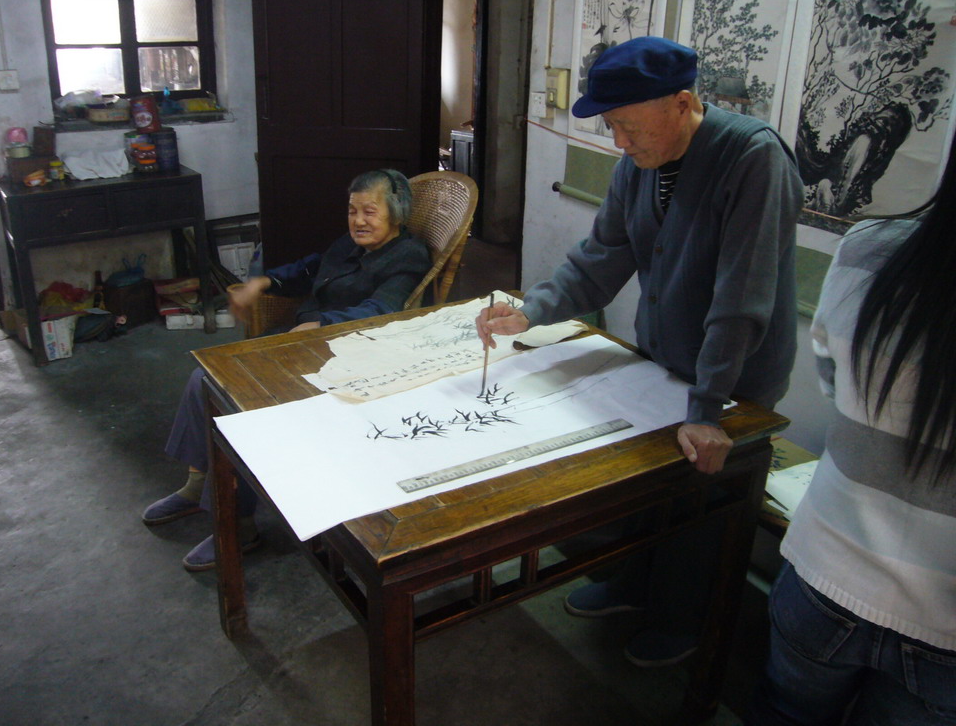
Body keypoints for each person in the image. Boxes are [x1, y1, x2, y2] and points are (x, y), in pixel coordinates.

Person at [475, 36, 802, 666]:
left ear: (681, 104)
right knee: (654, 488)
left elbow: (742, 299)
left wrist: (707, 409)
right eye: (611, 128)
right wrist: (530, 310)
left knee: (704, 503)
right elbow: (601, 259)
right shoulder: (637, 169)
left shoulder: (751, 158)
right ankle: (633, 584)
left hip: (735, 379)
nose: (619, 143)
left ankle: (687, 620)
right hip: (665, 361)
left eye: (627, 126)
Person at [745, 141, 956, 725]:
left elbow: (840, 387)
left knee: (785, 712)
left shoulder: (869, 249)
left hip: (828, 568)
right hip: (943, 622)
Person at [142, 169, 431, 571]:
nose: (358, 221)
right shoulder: (350, 245)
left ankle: (239, 523)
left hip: (343, 357)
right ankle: (197, 485)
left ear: (396, 214)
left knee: (237, 404)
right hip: (298, 341)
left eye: (370, 211)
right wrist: (263, 282)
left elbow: (384, 310)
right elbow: (310, 268)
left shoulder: (408, 256)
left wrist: (321, 324)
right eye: (352, 211)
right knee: (204, 378)